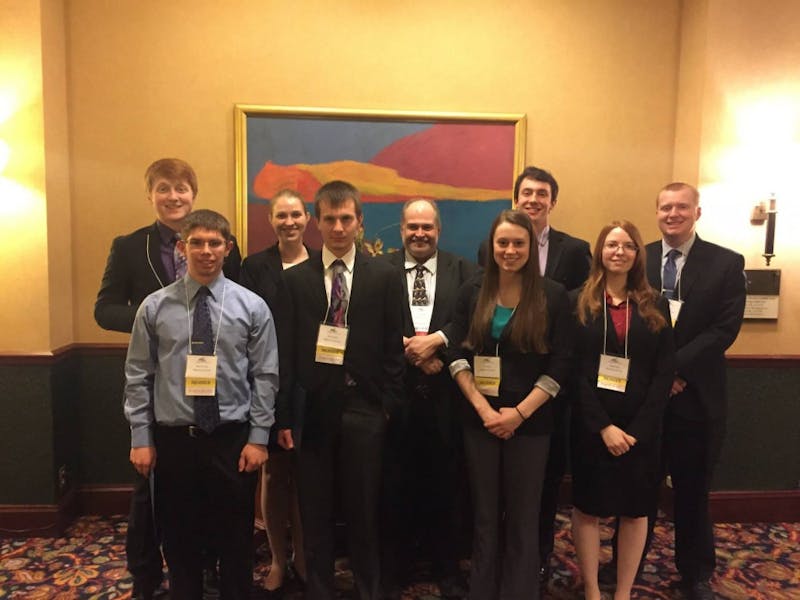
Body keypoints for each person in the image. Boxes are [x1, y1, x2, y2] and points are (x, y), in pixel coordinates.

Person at [94, 158, 241, 599]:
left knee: (211, 492)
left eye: (181, 189)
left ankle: (211, 570)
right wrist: (155, 315)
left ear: (193, 194)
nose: (173, 196)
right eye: (163, 189)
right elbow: (103, 310)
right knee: (149, 488)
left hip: (213, 388)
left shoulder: (213, 242)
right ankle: (145, 575)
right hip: (158, 381)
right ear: (150, 195)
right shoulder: (128, 246)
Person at [124, 209, 277, 600]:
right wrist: (141, 437)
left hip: (232, 440)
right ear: (181, 247)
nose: (205, 251)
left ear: (227, 248)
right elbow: (138, 376)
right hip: (175, 440)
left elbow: (265, 376)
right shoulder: (154, 308)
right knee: (179, 540)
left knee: (235, 540)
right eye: (196, 242)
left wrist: (258, 438)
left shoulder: (252, 307)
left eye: (214, 243)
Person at [279, 180, 405, 600]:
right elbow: (285, 352)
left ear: (360, 222)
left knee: (364, 511)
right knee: (315, 512)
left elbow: (394, 344)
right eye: (329, 218)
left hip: (365, 409)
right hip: (313, 411)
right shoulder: (295, 280)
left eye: (346, 218)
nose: (337, 227)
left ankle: (369, 589)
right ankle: (320, 589)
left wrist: (386, 405)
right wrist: (284, 417)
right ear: (316, 222)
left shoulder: (385, 277)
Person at [447, 209, 572, 600]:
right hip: (479, 420)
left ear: (531, 247)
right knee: (484, 516)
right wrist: (484, 411)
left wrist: (518, 413)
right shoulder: (472, 290)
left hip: (531, 424)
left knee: (522, 516)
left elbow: (562, 362)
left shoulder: (552, 295)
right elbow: (456, 354)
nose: (510, 250)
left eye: (519, 243)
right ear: (491, 245)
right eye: (503, 242)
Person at [478, 165, 591, 583]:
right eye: (527, 192)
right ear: (516, 198)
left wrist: (528, 407)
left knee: (539, 493)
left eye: (542, 194)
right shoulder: (489, 252)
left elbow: (578, 316)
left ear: (552, 201)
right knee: (491, 503)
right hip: (491, 395)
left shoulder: (574, 251)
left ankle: (537, 563)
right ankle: (497, 572)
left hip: (544, 396)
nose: (534, 199)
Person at [645, 183, 746, 600]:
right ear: (656, 212)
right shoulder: (639, 257)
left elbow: (724, 329)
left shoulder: (726, 263)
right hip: (645, 399)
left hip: (698, 397)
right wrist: (659, 377)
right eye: (665, 207)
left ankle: (696, 573)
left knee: (692, 490)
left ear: (697, 212)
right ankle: (627, 560)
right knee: (640, 486)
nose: (673, 214)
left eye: (681, 207)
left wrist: (674, 369)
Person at [378, 198, 477, 599]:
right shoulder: (378, 270)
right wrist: (410, 352)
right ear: (401, 229)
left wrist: (439, 346)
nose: (420, 233)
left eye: (427, 227)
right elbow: (369, 324)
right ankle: (395, 567)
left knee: (447, 485)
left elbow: (472, 322)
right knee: (393, 484)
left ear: (439, 230)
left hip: (447, 397)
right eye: (412, 226)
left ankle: (447, 568)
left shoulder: (466, 272)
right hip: (394, 396)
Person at [570, 221, 674, 600]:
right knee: (588, 509)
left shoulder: (655, 303)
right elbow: (573, 371)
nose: (619, 252)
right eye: (612, 244)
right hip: (591, 428)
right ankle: (594, 591)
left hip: (640, 433)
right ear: (600, 251)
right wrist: (603, 427)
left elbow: (665, 371)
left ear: (637, 255)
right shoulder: (577, 301)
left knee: (635, 512)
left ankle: (624, 592)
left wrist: (638, 429)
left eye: (628, 246)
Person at [240, 189, 315, 596]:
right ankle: (276, 560)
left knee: (307, 479)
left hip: (313, 387)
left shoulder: (324, 265)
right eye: (281, 216)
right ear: (271, 220)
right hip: (266, 383)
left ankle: (304, 557)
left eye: (296, 215)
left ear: (308, 219)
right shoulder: (253, 268)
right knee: (273, 474)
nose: (289, 222)